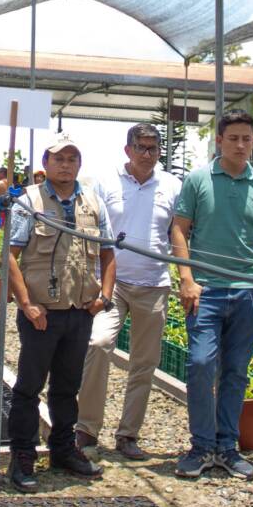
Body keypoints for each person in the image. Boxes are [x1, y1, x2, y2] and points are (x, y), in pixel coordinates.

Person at [170, 110, 253, 479]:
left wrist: (246, 265)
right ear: (219, 141)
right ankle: (201, 445)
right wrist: (187, 279)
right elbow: (179, 230)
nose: (240, 145)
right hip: (205, 291)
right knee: (201, 365)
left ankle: (227, 447)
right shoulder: (198, 180)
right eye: (233, 138)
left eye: (247, 139)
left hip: (249, 293)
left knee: (236, 372)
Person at [3, 135, 114, 491]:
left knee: (67, 387)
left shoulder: (93, 202)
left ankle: (64, 449)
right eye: (59, 158)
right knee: (28, 387)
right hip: (42, 314)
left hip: (79, 311)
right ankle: (22, 456)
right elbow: (9, 256)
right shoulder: (29, 202)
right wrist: (27, 304)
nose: (66, 164)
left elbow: (109, 252)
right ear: (46, 163)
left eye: (72, 158)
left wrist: (105, 296)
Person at [75, 124, 180, 461]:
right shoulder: (107, 182)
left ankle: (128, 434)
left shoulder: (173, 186)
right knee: (99, 344)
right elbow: (90, 229)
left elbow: (179, 233)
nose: (147, 154)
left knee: (144, 363)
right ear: (128, 150)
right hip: (113, 283)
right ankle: (86, 428)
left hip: (154, 284)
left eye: (153, 148)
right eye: (141, 147)